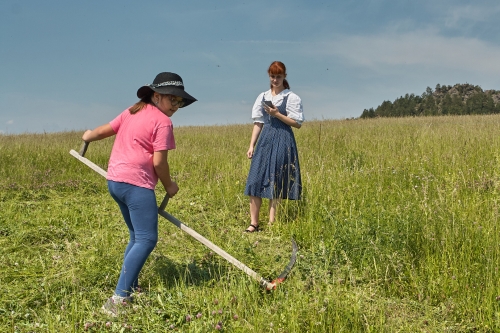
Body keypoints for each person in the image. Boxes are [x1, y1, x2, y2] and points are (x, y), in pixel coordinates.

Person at [81, 72, 197, 316]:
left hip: (116, 182)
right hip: (137, 185)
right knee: (147, 239)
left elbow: (104, 131)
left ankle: (130, 286)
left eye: (180, 102)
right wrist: (169, 185)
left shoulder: (132, 111)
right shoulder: (163, 122)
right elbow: (159, 163)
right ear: (156, 96)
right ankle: (119, 298)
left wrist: (89, 136)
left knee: (136, 236)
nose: (176, 106)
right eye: (172, 100)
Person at [244, 61, 304, 232]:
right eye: (272, 76)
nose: (275, 80)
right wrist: (251, 145)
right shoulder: (262, 96)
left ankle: (272, 223)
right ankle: (253, 223)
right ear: (269, 76)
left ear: (284, 76)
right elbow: (258, 122)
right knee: (255, 179)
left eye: (278, 76)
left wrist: (277, 114)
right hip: (265, 140)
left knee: (275, 179)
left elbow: (297, 123)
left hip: (283, 138)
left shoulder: (291, 97)